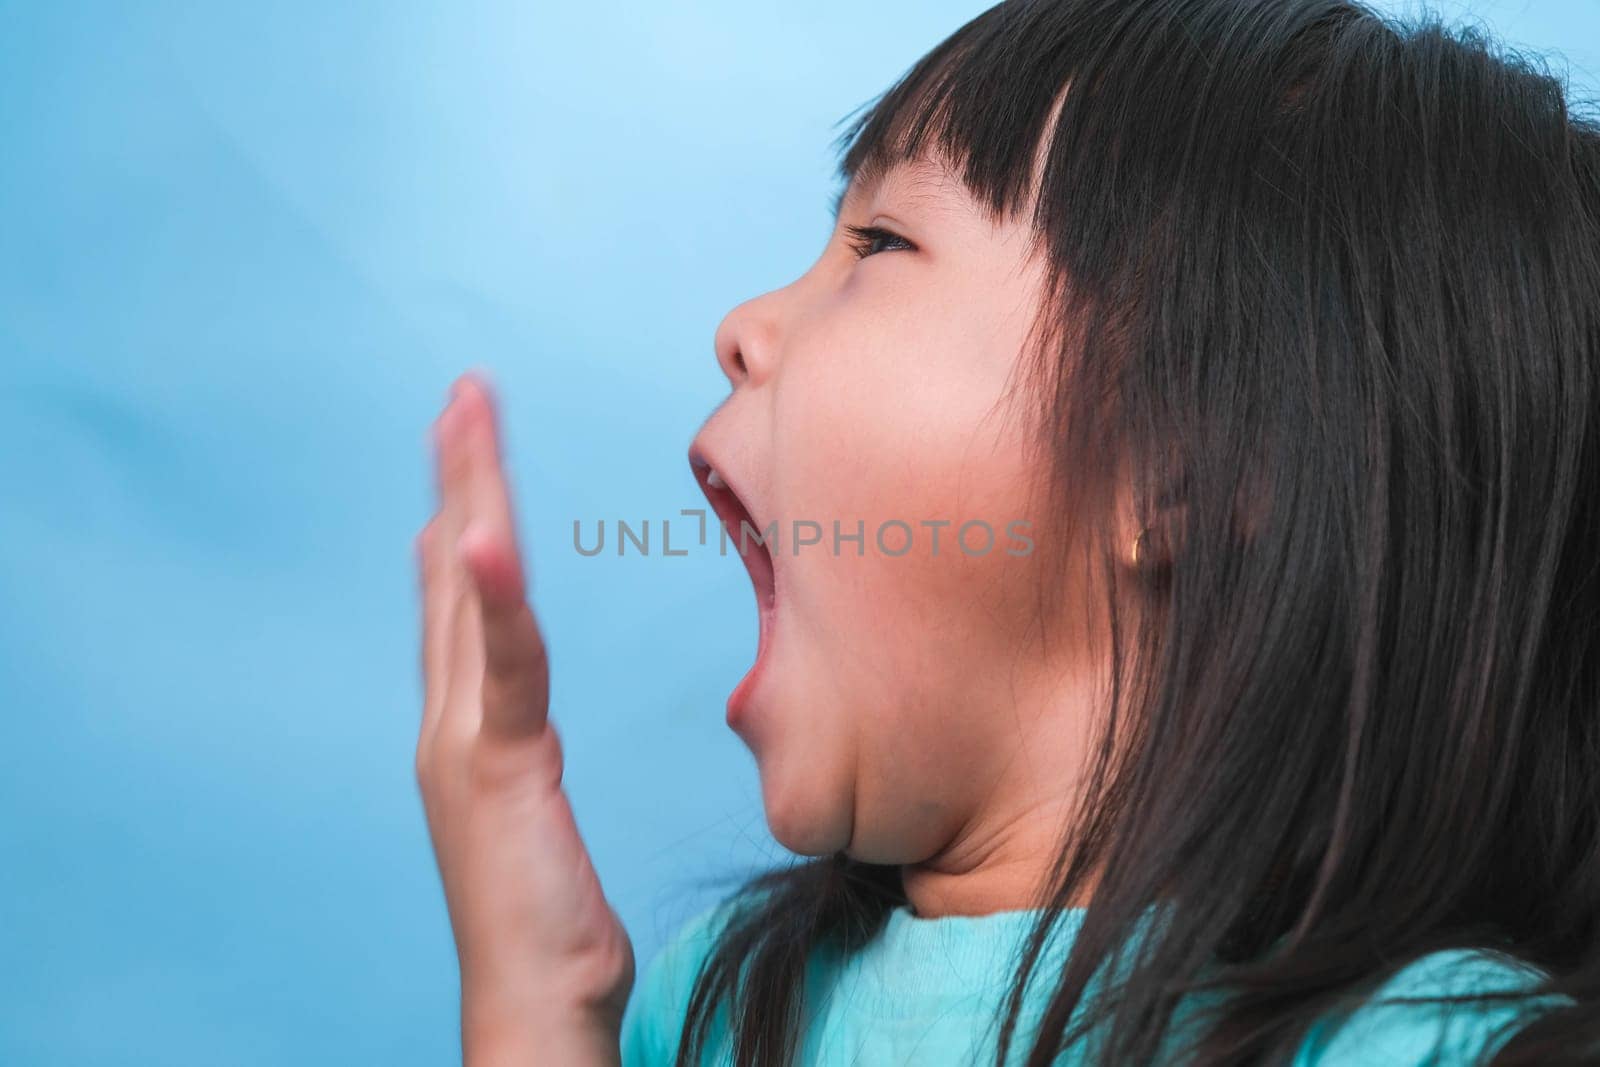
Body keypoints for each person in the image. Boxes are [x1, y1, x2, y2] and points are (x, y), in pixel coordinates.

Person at [410, 0, 1600, 1063]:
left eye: (878, 244)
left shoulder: (1439, 1048)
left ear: (1187, 461)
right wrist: (539, 1005)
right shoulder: (719, 1008)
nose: (741, 326)